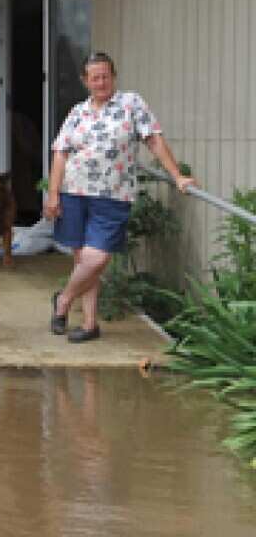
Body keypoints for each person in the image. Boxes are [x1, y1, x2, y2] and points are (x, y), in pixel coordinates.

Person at [44, 52, 195, 342]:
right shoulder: (77, 112)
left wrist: (177, 175)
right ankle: (89, 324)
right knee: (83, 260)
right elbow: (61, 153)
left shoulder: (131, 104)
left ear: (114, 76)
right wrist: (53, 194)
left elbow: (153, 139)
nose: (101, 82)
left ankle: (63, 301)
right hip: (73, 192)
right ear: (85, 81)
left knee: (96, 259)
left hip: (113, 195)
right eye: (95, 77)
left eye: (106, 76)